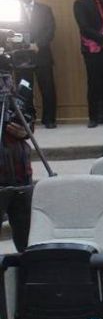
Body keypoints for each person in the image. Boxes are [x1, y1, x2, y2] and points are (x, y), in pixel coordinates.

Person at [0, 71, 36, 251]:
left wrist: (26, 129)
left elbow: (28, 115)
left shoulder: (11, 85)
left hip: (20, 172)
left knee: (26, 242)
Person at [16, 0, 56, 128]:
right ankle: (28, 119)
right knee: (24, 88)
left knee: (47, 88)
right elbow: (9, 32)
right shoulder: (14, 11)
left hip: (42, 54)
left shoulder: (44, 9)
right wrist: (25, 46)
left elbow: (50, 30)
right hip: (22, 57)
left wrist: (38, 44)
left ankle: (49, 119)